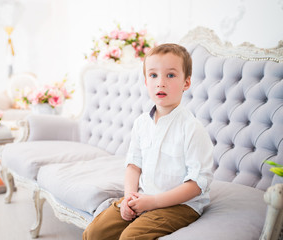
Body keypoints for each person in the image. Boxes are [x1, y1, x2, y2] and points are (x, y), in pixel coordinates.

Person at [83, 43, 214, 240]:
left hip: (180, 205)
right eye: (153, 75)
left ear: (186, 83)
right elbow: (133, 166)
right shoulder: (141, 123)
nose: (160, 82)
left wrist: (153, 202)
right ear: (146, 81)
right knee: (95, 232)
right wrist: (129, 198)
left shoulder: (191, 128)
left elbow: (196, 184)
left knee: (131, 237)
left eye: (170, 75)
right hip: (144, 196)